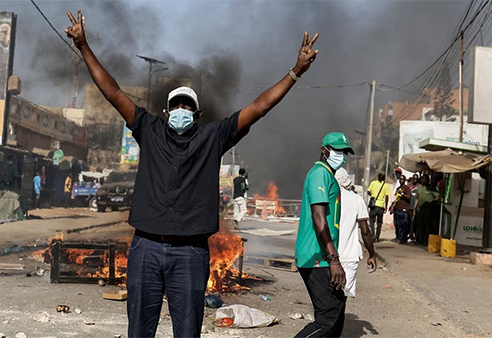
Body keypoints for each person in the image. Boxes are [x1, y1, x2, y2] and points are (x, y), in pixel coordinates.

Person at [65, 10, 320, 338]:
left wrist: (296, 71)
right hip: (146, 247)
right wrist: (84, 45)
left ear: (197, 114)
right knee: (139, 332)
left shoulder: (212, 137)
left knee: (188, 332)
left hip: (190, 253)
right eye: (177, 106)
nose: (182, 111)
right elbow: (113, 92)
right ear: (166, 111)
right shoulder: (149, 128)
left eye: (188, 106)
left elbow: (259, 107)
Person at [294, 132, 354, 338]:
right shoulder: (319, 173)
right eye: (338, 150)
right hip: (316, 257)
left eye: (345, 152)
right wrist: (333, 259)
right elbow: (319, 219)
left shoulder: (328, 175)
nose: (342, 155)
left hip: (324, 257)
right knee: (328, 318)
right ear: (324, 150)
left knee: (336, 315)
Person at [335, 168, 377, 301]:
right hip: (349, 256)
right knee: (342, 296)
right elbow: (365, 231)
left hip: (328, 256)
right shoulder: (356, 199)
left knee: (328, 296)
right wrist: (371, 254)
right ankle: (338, 320)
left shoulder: (326, 198)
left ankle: (328, 321)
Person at [413, 174, 439, 245]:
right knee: (420, 225)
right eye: (423, 179)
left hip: (429, 208)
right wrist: (414, 209)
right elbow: (417, 199)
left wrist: (432, 202)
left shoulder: (431, 188)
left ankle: (426, 240)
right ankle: (420, 239)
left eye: (426, 179)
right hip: (421, 208)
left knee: (427, 225)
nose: (424, 180)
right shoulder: (419, 188)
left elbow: (437, 196)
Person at [367, 173, 390, 242]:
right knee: (379, 222)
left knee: (371, 220)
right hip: (381, 206)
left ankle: (372, 234)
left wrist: (373, 195)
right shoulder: (386, 185)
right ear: (384, 178)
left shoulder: (373, 183)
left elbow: (368, 192)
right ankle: (377, 237)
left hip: (374, 205)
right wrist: (386, 206)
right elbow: (387, 197)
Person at [390, 175, 411, 244]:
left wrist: (402, 194)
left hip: (403, 209)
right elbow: (396, 199)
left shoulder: (407, 188)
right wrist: (392, 207)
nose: (401, 180)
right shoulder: (398, 188)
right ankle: (398, 237)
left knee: (403, 224)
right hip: (397, 209)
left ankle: (403, 238)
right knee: (397, 224)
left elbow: (409, 197)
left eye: (402, 179)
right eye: (400, 179)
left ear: (404, 180)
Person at [407, 174, 420, 242]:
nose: (415, 180)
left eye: (416, 178)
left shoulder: (419, 187)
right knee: (410, 222)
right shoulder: (410, 187)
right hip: (410, 207)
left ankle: (416, 236)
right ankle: (410, 235)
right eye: (413, 178)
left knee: (416, 222)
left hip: (416, 208)